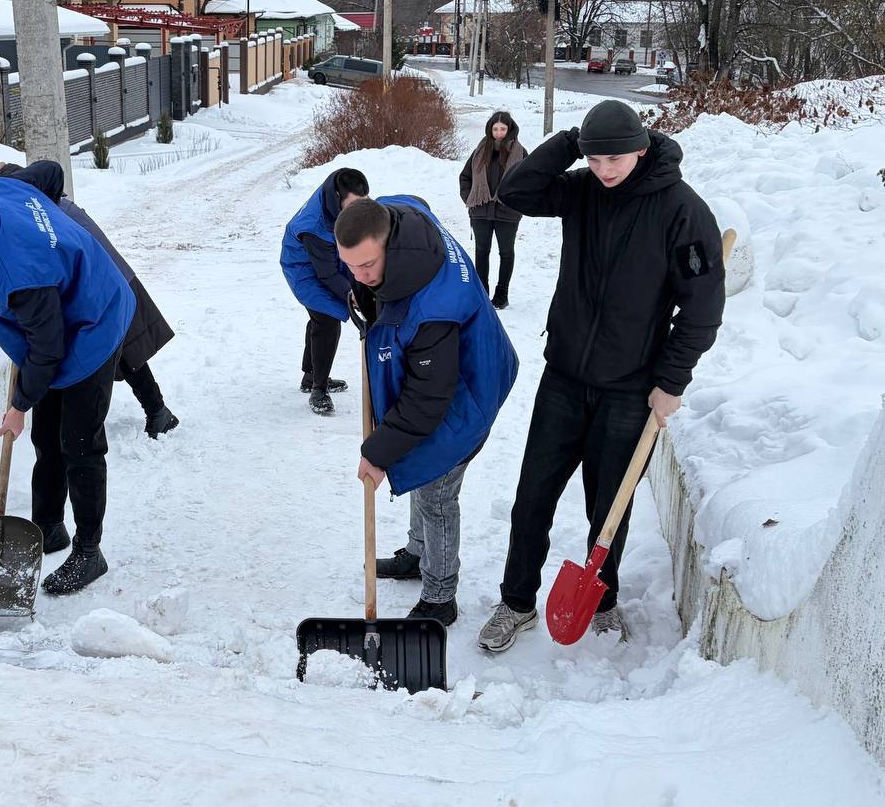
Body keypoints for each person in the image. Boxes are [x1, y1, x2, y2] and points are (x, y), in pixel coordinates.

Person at [478, 99, 725, 652]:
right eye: (595, 158)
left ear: (642, 148)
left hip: (630, 386)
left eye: (615, 158)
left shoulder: (682, 210)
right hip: (564, 375)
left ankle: (603, 599)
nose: (605, 170)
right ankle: (517, 602)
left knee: (609, 503)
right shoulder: (582, 190)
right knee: (533, 496)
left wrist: (671, 379)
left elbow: (704, 306)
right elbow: (515, 192)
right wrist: (571, 142)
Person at [0, 180, 135, 595]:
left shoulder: (16, 272)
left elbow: (47, 349)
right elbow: (3, 177)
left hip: (94, 321)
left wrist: (19, 405)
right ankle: (48, 526)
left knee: (80, 442)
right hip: (59, 310)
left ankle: (90, 553)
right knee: (47, 436)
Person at [335, 196, 518, 626]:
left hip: (467, 395)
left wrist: (379, 452)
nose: (357, 276)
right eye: (350, 266)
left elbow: (427, 401)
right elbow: (412, 201)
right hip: (459, 368)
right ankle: (418, 555)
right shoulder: (396, 214)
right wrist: (368, 292)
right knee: (420, 469)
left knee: (436, 490)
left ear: (388, 245)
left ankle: (440, 596)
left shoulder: (432, 310)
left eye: (366, 267)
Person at [0, 161, 179, 440]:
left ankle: (158, 410)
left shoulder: (11, 200)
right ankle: (157, 410)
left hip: (92, 266)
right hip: (84, 263)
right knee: (119, 342)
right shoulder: (11, 189)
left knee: (125, 341)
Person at [280, 168, 369, 415]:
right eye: (351, 205)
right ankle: (319, 389)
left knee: (320, 318)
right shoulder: (314, 226)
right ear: (337, 198)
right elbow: (327, 274)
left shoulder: (337, 197)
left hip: (328, 260)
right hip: (303, 268)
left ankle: (310, 376)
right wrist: (353, 296)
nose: (356, 211)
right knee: (326, 319)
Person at [459, 111, 527, 309]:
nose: (499, 133)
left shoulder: (520, 153)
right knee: (481, 252)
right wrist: (470, 198)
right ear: (490, 129)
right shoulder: (480, 151)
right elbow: (465, 177)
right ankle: (481, 293)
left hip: (508, 213)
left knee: (506, 253)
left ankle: (501, 295)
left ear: (509, 129)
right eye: (495, 129)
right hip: (480, 212)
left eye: (503, 129)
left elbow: (530, 181)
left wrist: (519, 202)